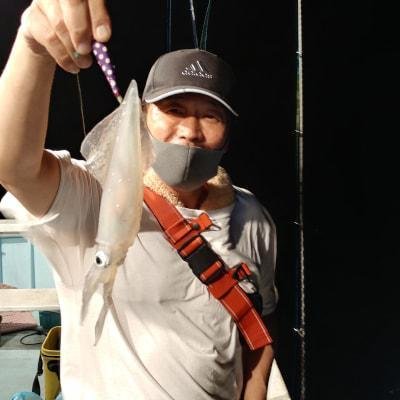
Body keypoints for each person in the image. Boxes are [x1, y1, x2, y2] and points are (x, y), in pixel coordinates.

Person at [0, 1, 279, 399]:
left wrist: (255, 389)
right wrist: (33, 44)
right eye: (173, 109)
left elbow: (259, 321)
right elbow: (13, 166)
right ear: (144, 118)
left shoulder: (252, 217)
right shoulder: (92, 197)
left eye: (210, 115)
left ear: (228, 136)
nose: (190, 131)